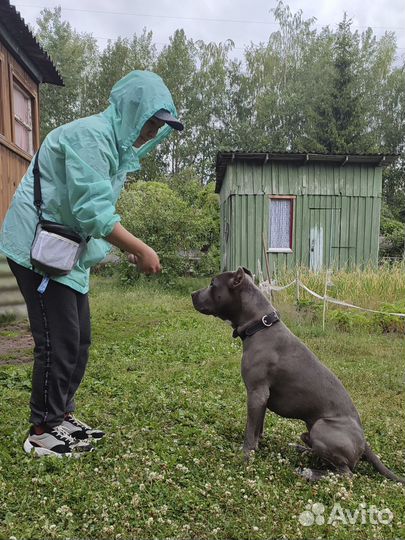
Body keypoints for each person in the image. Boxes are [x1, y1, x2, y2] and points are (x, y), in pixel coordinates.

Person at [0, 70, 184, 457]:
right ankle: (41, 430)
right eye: (151, 122)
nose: (153, 132)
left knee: (79, 339)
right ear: (132, 112)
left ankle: (62, 416)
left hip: (64, 253)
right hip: (36, 248)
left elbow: (91, 213)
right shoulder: (92, 137)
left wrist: (121, 250)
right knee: (58, 340)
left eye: (159, 126)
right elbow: (93, 211)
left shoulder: (116, 150)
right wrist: (141, 248)